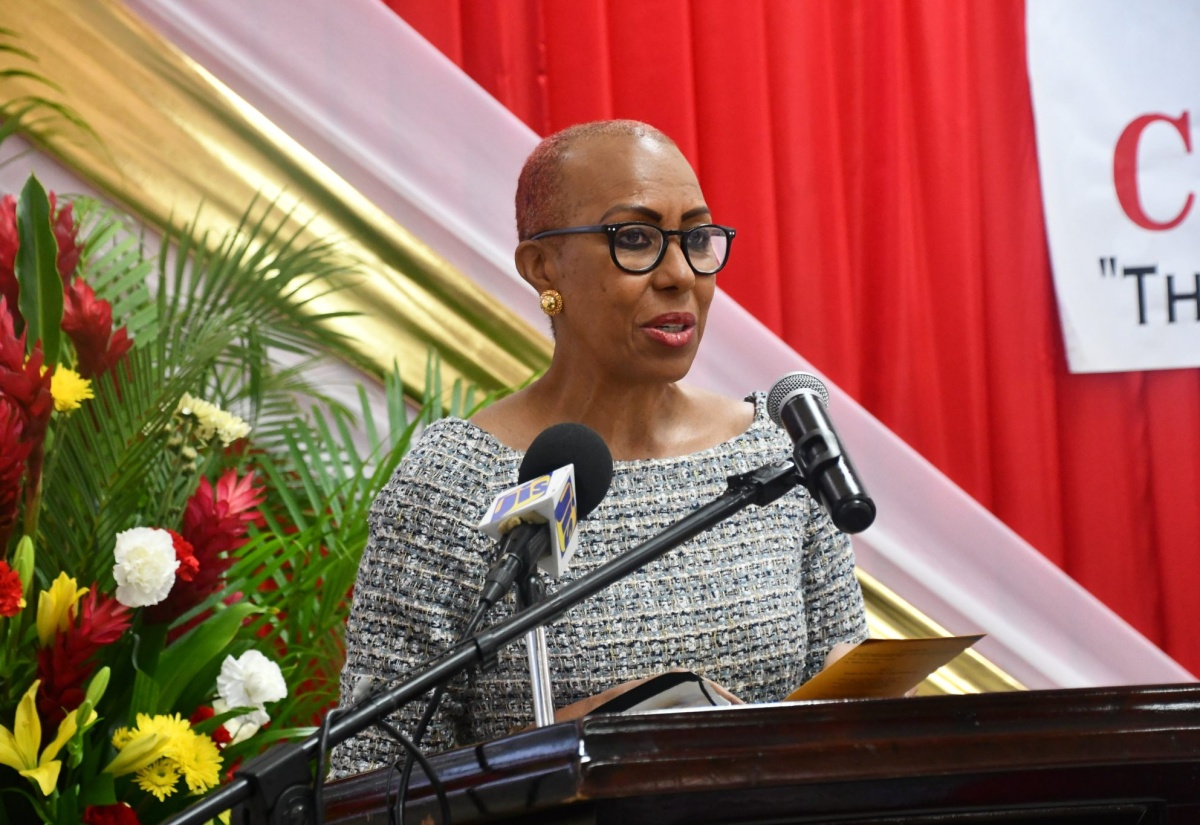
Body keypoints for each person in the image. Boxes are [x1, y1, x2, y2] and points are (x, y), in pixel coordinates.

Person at [332, 120, 867, 776]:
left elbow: (848, 690)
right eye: (635, 239)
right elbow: (372, 772)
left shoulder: (774, 457)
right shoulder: (454, 481)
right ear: (542, 266)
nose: (679, 275)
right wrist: (568, 751)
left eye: (696, 238)